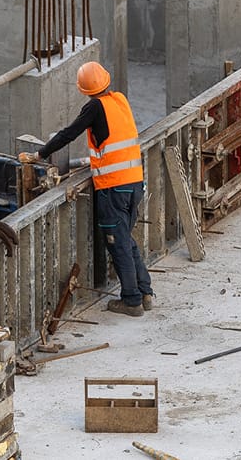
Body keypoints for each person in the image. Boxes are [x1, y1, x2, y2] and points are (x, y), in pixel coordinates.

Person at [18, 61, 152, 317]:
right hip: (134, 183)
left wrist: (39, 154)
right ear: (106, 80)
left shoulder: (94, 107)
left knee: (118, 243)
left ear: (83, 89)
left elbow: (69, 134)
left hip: (114, 189)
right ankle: (145, 292)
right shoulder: (120, 101)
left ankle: (132, 301)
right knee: (126, 239)